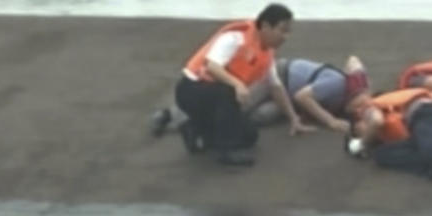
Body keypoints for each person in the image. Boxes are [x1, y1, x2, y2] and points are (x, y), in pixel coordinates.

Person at [174, 3, 313, 167]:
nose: (285, 37)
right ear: (266, 26)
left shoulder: (266, 53)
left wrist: (293, 118)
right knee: (228, 93)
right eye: (282, 30)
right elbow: (212, 66)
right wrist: (238, 85)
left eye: (288, 32)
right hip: (191, 90)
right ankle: (226, 153)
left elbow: (276, 86)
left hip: (216, 97)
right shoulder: (236, 37)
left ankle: (195, 129)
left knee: (249, 136)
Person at [151, 55, 365, 135]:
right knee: (238, 105)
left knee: (258, 118)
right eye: (359, 106)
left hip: (287, 98)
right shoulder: (339, 83)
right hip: (279, 76)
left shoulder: (349, 100)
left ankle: (199, 125)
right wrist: (331, 121)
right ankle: (170, 115)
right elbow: (303, 97)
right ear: (357, 91)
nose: (357, 112)